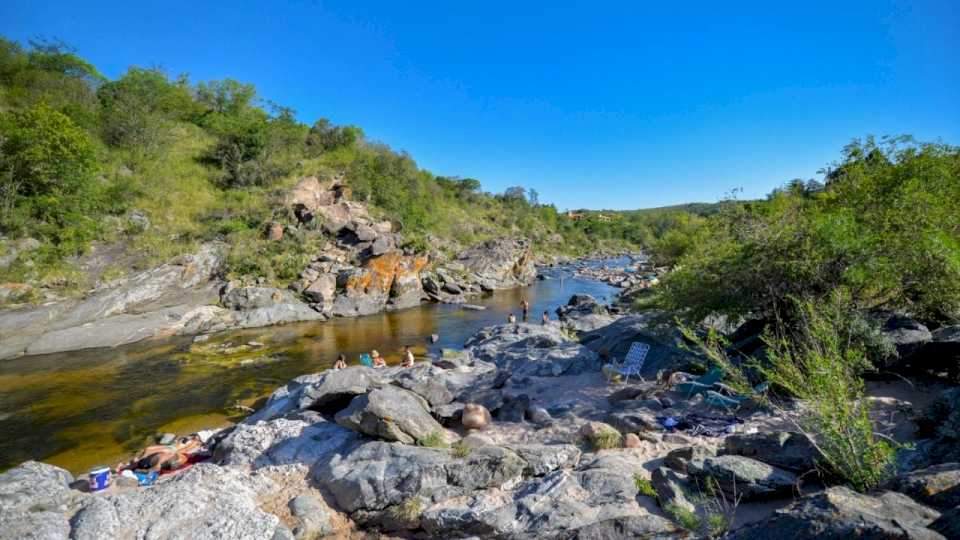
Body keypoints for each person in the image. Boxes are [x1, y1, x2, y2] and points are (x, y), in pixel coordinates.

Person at [118, 434, 202, 473]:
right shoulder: (186, 440)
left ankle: (156, 465)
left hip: (177, 453)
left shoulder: (195, 443)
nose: (195, 436)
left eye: (197, 437)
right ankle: (140, 460)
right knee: (149, 449)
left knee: (166, 452)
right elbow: (177, 445)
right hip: (172, 449)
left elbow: (185, 450)